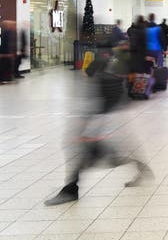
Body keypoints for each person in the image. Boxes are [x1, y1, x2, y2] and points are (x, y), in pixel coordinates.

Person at [44, 44, 153, 206]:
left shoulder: (104, 76)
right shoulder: (108, 73)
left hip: (106, 120)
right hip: (107, 119)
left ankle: (71, 189)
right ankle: (141, 167)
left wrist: (88, 130)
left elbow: (103, 105)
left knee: (92, 153)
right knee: (103, 154)